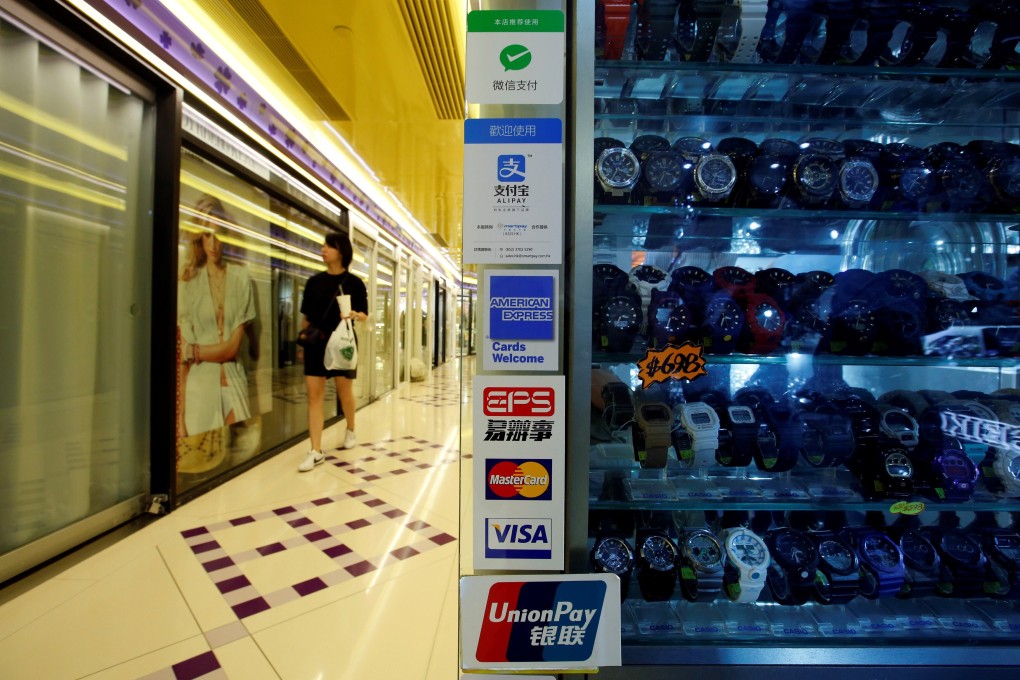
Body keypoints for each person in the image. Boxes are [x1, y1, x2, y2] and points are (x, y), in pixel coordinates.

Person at [178, 194, 257, 442]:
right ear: (200, 239)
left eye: (219, 234)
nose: (213, 244)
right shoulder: (189, 284)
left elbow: (233, 348)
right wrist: (179, 418)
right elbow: (182, 362)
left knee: (242, 458)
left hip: (234, 382)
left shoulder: (240, 278)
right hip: (199, 391)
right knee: (205, 461)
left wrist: (193, 351)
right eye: (207, 235)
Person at [298, 231, 369, 472]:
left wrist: (355, 315)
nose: (323, 248)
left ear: (341, 251)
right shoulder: (313, 282)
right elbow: (306, 318)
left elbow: (365, 315)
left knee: (344, 392)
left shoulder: (355, 283)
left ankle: (350, 428)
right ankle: (316, 450)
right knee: (314, 396)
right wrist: (303, 342)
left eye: (329, 245)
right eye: (323, 245)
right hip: (316, 344)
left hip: (343, 345)